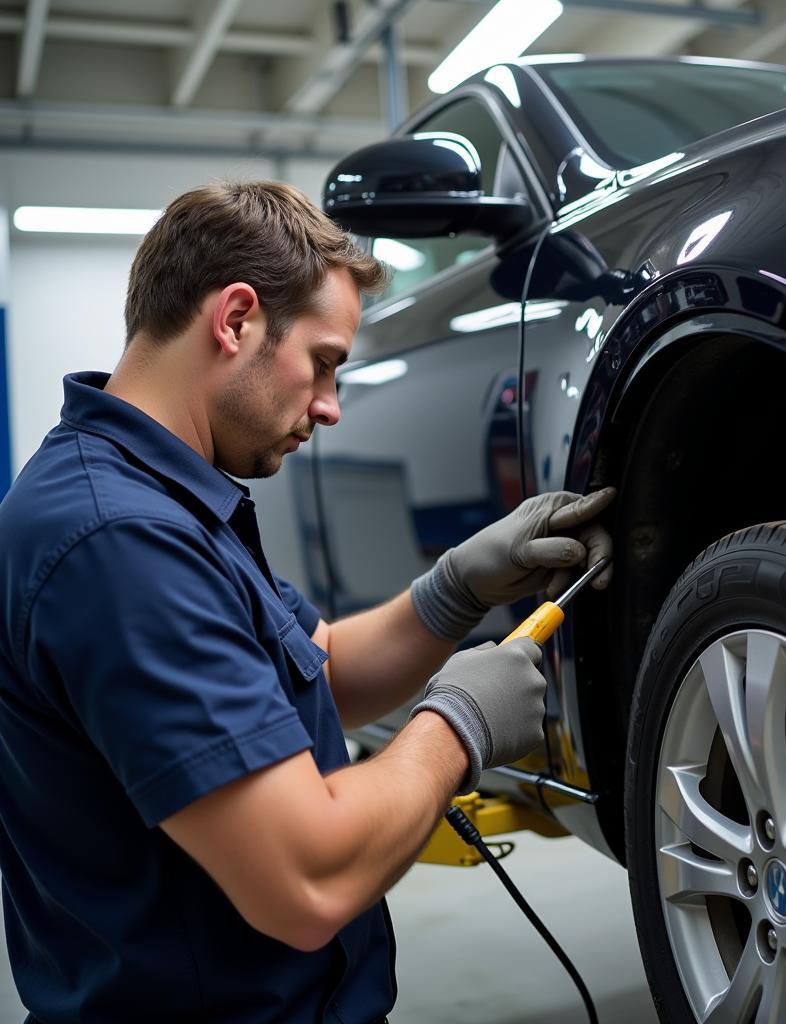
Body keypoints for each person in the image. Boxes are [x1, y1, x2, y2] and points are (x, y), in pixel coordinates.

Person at [0, 181, 615, 1024]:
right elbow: (308, 877)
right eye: (323, 362)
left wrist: (458, 587)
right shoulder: (116, 542)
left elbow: (318, 673)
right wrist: (456, 727)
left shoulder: (161, 501)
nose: (329, 407)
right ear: (236, 319)